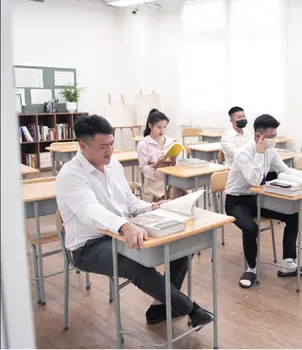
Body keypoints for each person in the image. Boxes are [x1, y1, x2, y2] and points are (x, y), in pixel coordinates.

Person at [56, 115, 212, 327]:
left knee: (183, 243)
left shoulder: (113, 165)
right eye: (103, 147)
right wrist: (124, 225)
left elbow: (129, 202)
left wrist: (152, 207)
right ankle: (190, 309)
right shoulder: (70, 174)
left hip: (120, 233)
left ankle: (161, 307)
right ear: (83, 145)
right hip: (88, 246)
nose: (110, 151)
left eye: (111, 144)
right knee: (135, 263)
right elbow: (90, 211)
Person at [224, 114, 302, 289]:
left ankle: (288, 262)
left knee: (292, 214)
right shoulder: (243, 154)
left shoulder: (271, 151)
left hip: (256, 198)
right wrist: (259, 153)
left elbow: (283, 170)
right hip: (236, 202)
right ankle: (251, 268)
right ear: (258, 136)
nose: (274, 139)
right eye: (271, 136)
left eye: (275, 135)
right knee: (250, 228)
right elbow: (255, 181)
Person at [137, 109, 185, 201]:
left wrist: (173, 161)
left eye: (164, 127)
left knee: (180, 189)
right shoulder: (143, 144)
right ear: (150, 125)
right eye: (159, 127)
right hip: (153, 185)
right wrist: (157, 163)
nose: (162, 130)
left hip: (169, 181)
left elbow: (173, 168)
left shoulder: (170, 142)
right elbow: (144, 169)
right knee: (175, 195)